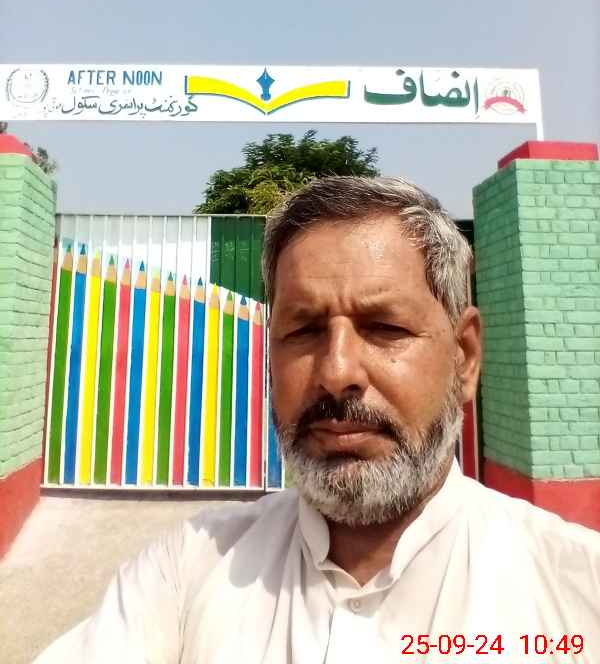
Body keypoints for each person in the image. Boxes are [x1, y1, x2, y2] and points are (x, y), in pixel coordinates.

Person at [36, 176, 600, 664]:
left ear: (465, 357)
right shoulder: (187, 571)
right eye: (303, 330)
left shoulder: (574, 589)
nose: (335, 372)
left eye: (385, 328)